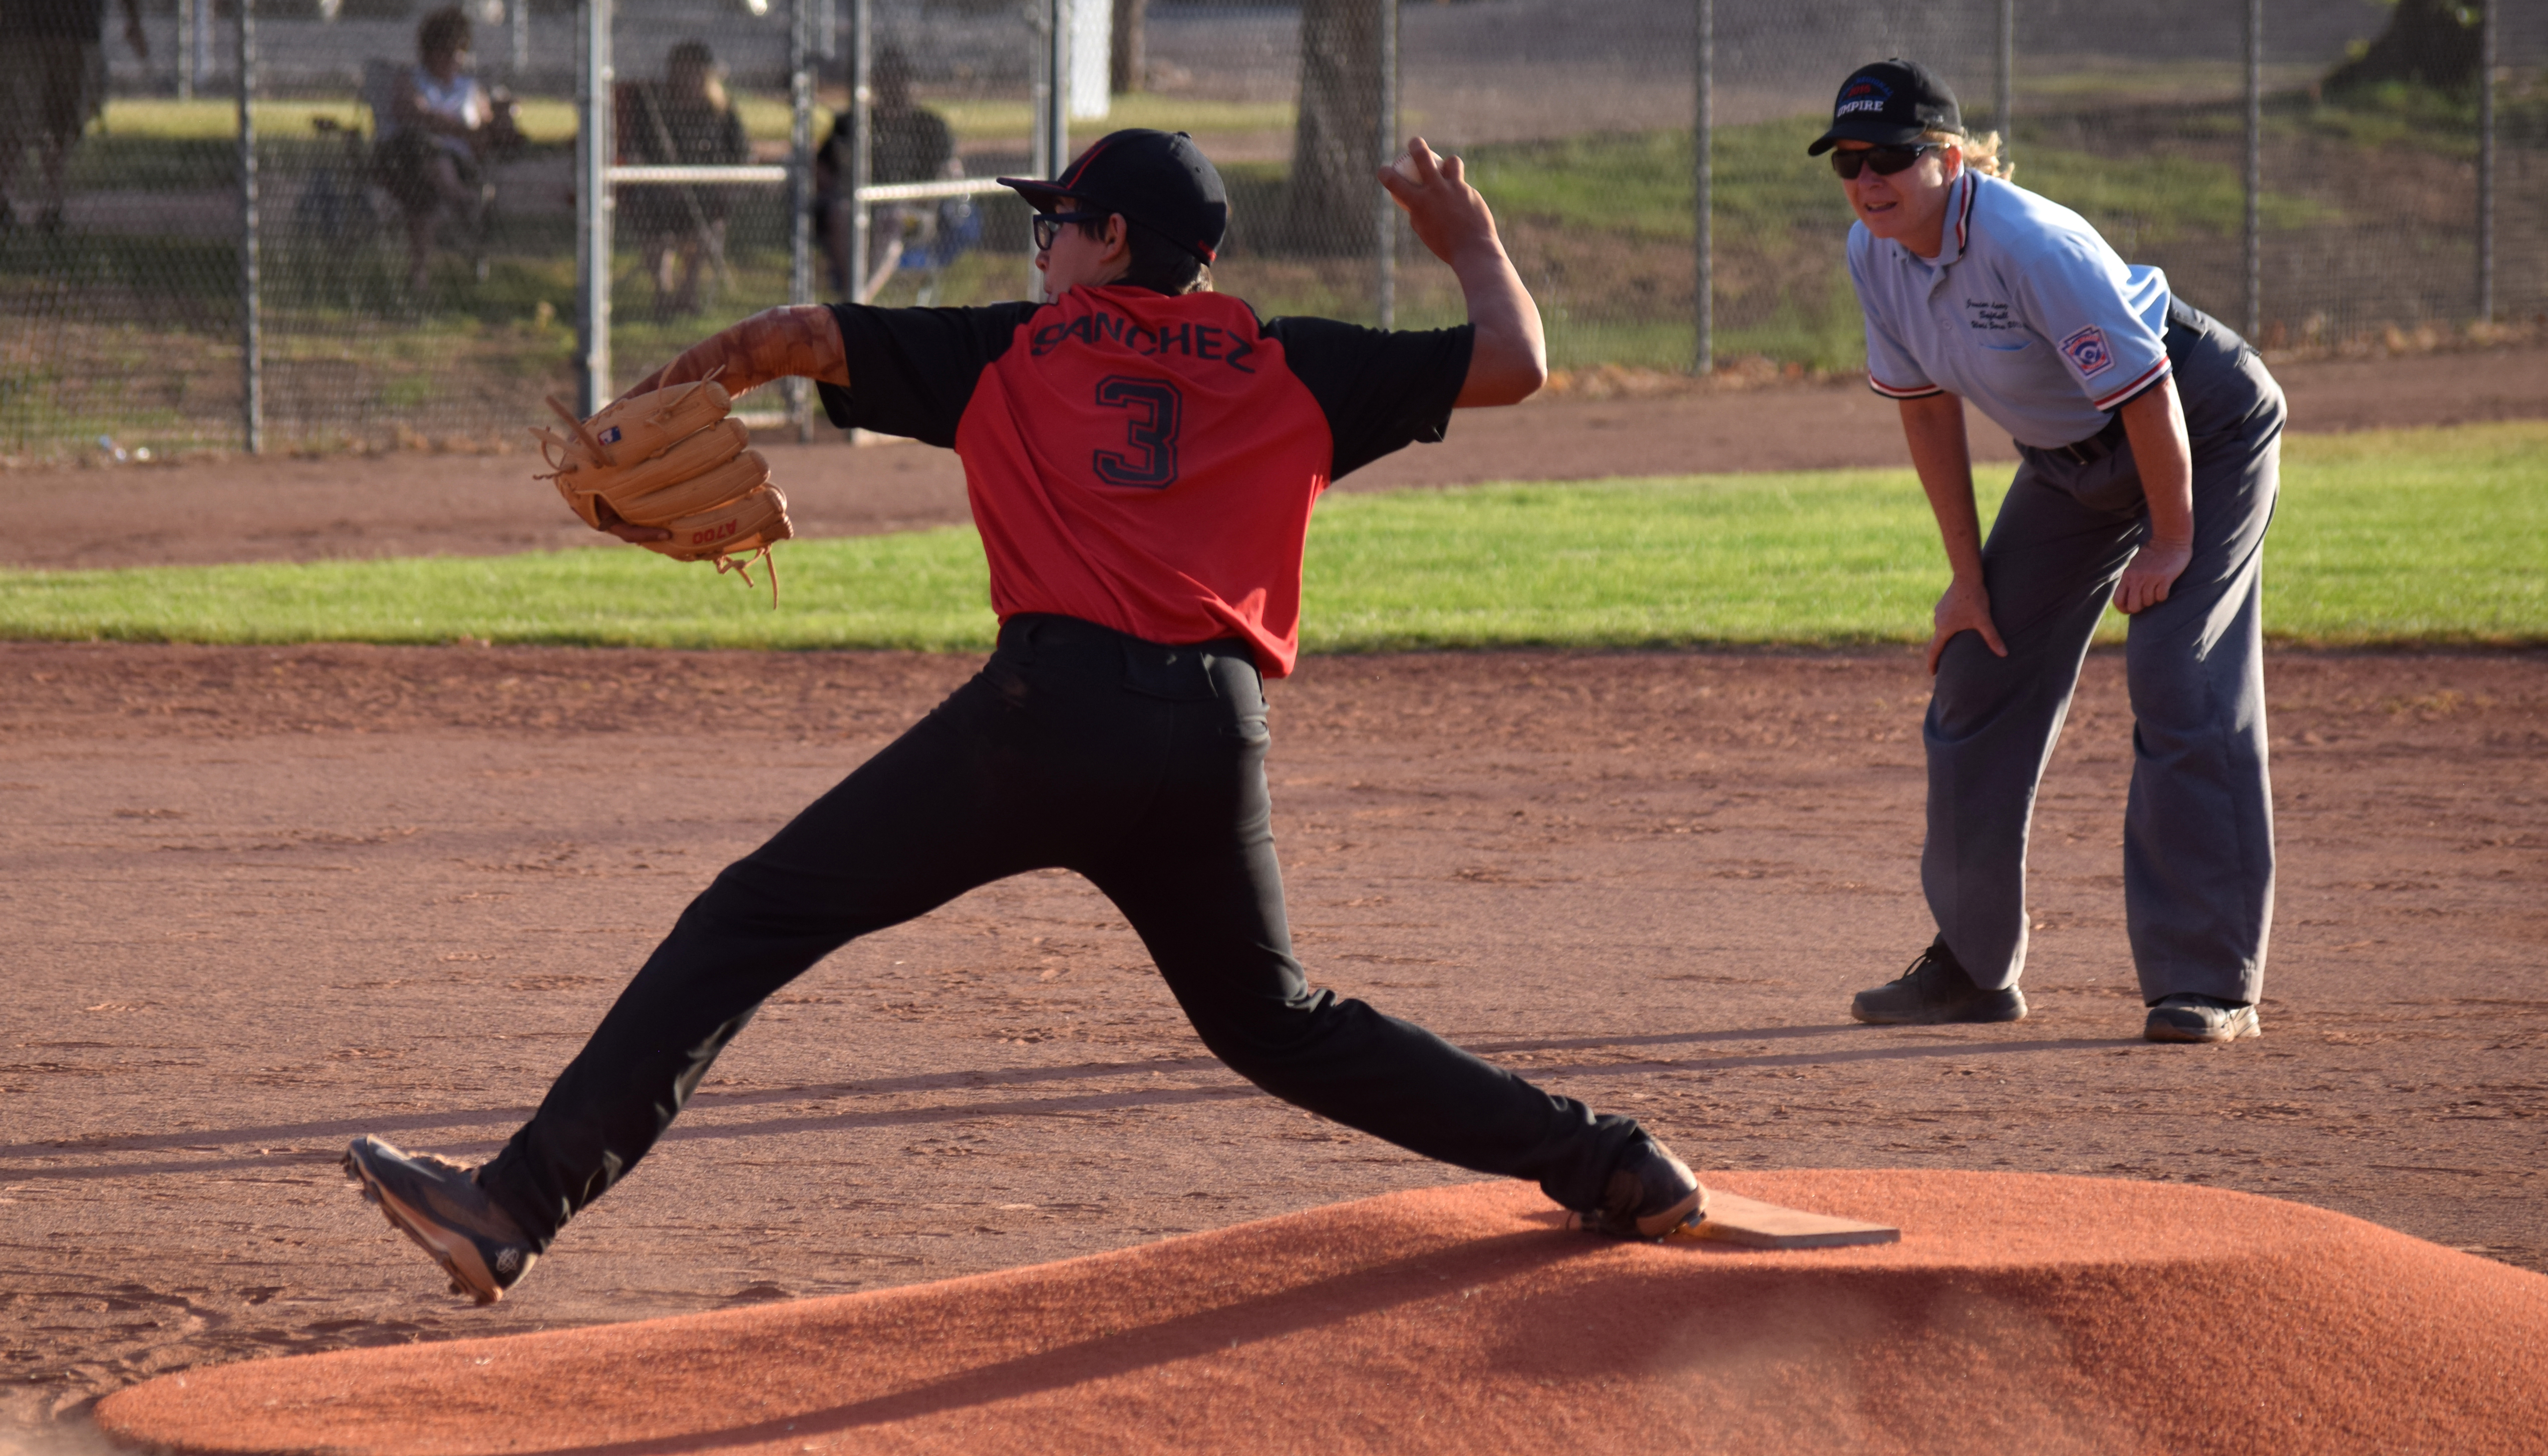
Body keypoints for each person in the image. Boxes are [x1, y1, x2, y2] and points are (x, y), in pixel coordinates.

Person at [342, 128, 1711, 1304]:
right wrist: (1468, 232)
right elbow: (1515, 361)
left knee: (752, 920)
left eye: (1057, 223)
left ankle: (513, 1206)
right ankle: (1612, 1162)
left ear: (1115, 237)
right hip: (1214, 735)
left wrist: (645, 406)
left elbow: (790, 338)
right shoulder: (1288, 364)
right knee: (1280, 1022)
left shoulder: (1018, 349)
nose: (1041, 248)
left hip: (1045, 720)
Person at [1813, 60, 2285, 1045]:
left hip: (2202, 423)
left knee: (2178, 671)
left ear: (1949, 156)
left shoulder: (2030, 243)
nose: (1867, 178)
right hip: (2071, 461)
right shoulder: (1876, 250)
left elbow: (2151, 394)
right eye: (1848, 160)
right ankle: (1975, 967)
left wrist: (2172, 538)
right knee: (1980, 667)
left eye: (1890, 155)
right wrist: (1967, 575)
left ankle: (2207, 981)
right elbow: (1928, 411)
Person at [374, 5, 518, 294]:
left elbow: (487, 128)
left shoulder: (469, 89)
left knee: (429, 189)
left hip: (457, 164)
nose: (456, 59)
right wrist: (461, 130)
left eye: (459, 51)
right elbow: (415, 114)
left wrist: (503, 115)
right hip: (407, 162)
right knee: (427, 158)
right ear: (432, 52)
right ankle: (462, 201)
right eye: (449, 51)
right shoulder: (411, 81)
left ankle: (420, 272)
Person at [812, 46, 964, 303]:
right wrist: (839, 188)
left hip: (914, 214)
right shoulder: (855, 122)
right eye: (886, 78)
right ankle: (855, 301)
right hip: (864, 210)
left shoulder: (931, 126)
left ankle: (854, 305)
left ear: (910, 83)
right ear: (876, 83)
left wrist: (924, 199)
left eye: (900, 79)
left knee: (892, 221)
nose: (894, 86)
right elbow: (820, 167)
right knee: (841, 212)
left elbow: (952, 175)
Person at [621, 40, 750, 320]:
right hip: (660, 194)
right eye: (680, 68)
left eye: (693, 69)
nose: (686, 75)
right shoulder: (655, 107)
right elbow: (638, 150)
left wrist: (721, 183)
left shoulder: (722, 111)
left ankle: (688, 293)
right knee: (652, 216)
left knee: (707, 226)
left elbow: (741, 153)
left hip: (705, 195)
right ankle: (663, 293)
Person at [0, 0, 148, 233]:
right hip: (24, 27)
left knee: (61, 120)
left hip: (74, 29)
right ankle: (6, 199)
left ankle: (51, 204)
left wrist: (134, 20)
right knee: (15, 115)